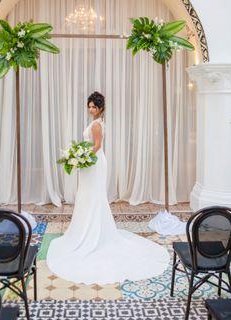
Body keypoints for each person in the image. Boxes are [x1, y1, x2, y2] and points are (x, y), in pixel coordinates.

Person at [46, 91, 169, 284]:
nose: (91, 110)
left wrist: (80, 156)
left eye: (94, 107)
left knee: (93, 197)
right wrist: (80, 155)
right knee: (87, 196)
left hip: (93, 163)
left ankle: (94, 233)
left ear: (100, 108)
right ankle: (84, 229)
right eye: (89, 107)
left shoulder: (96, 124)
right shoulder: (96, 122)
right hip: (90, 163)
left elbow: (97, 145)